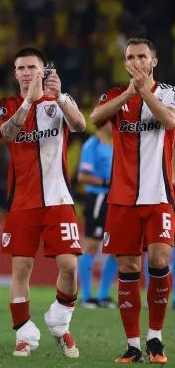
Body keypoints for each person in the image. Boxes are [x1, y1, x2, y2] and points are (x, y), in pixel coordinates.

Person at [89, 37, 175, 364]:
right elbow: (95, 119)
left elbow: (170, 121)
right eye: (130, 57)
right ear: (125, 63)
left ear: (153, 61)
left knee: (159, 260)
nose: (136, 61)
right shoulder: (114, 95)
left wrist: (144, 93)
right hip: (122, 198)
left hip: (159, 195)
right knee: (127, 267)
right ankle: (134, 345)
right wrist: (129, 92)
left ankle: (156, 338)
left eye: (142, 56)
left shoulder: (168, 93)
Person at [0, 48, 86, 358]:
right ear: (15, 73)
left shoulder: (59, 101)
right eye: (20, 67)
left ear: (42, 70)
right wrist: (27, 102)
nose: (25, 72)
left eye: (31, 67)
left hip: (58, 198)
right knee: (21, 268)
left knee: (70, 267)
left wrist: (59, 97)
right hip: (22, 202)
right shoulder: (6, 105)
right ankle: (23, 333)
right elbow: (7, 133)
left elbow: (80, 126)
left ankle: (60, 322)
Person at [76, 122, 118, 308]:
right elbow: (83, 176)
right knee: (92, 245)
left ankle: (103, 295)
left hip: (116, 200)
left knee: (117, 248)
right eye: (112, 121)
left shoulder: (116, 143)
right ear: (103, 123)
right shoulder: (92, 145)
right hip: (98, 199)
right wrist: (107, 182)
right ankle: (86, 296)